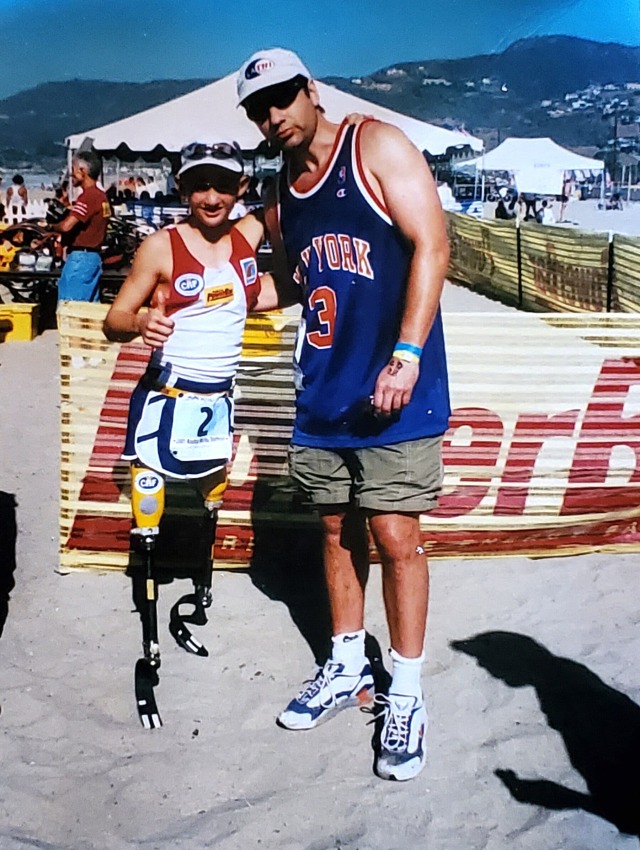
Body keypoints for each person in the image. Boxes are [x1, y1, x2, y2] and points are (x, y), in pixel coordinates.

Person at [237, 48, 451, 782]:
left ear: (311, 90)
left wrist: (409, 353)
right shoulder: (283, 188)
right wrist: (202, 301)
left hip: (394, 382)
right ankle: (344, 667)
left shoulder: (377, 145)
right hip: (323, 389)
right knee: (334, 529)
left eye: (282, 99)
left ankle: (409, 694)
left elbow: (433, 244)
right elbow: (295, 284)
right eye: (258, 108)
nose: (273, 116)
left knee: (395, 534)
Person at [103, 141, 280, 724]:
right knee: (149, 522)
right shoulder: (162, 246)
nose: (211, 197)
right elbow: (114, 320)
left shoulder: (247, 238)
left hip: (218, 405)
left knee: (209, 507)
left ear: (239, 190)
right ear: (182, 189)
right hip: (166, 400)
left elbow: (293, 205)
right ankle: (149, 642)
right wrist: (141, 321)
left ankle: (200, 600)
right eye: (199, 185)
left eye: (222, 186)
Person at [52, 151, 111, 301]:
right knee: (88, 309)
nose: (71, 175)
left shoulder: (88, 196)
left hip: (81, 258)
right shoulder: (101, 196)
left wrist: (52, 227)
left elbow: (67, 226)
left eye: (73, 170)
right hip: (94, 257)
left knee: (70, 306)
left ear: (83, 171)